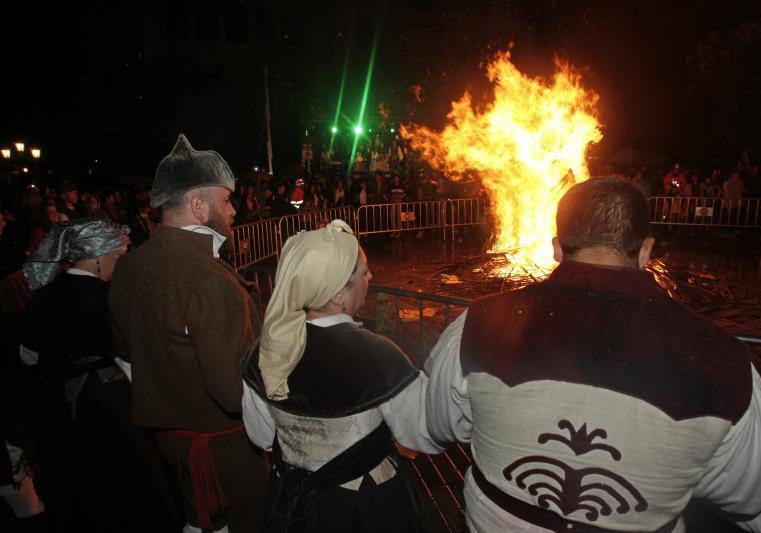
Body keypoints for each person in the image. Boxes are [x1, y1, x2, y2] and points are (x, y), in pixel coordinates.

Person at [425, 177, 761, 532]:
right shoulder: (723, 359)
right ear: (646, 250)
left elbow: (438, 421)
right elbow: (752, 493)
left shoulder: (479, 323)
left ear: (556, 247)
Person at [108, 134, 268, 533]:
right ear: (198, 207)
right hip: (226, 452)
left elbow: (124, 355)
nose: (233, 210)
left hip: (171, 443)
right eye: (226, 200)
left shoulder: (128, 267)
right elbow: (235, 392)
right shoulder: (211, 280)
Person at [242, 220, 443, 532]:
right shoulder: (379, 356)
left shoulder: (263, 352)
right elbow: (421, 434)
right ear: (338, 293)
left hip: (294, 506)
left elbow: (261, 436)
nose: (371, 277)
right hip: (364, 509)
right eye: (364, 272)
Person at [18, 218, 169, 532]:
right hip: (104, 405)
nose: (121, 260)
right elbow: (130, 351)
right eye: (118, 254)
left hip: (56, 406)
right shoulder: (106, 297)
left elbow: (27, 356)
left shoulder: (43, 296)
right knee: (121, 481)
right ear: (98, 256)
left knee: (75, 484)